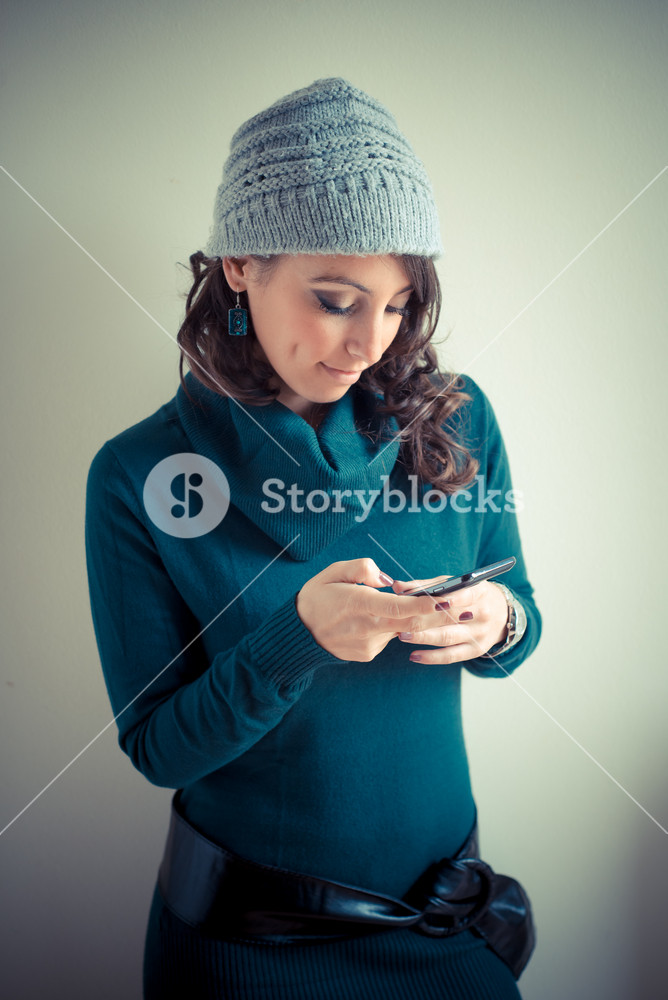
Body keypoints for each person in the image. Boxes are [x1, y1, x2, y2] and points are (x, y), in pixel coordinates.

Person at [85, 77, 542, 1000]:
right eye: (336, 299)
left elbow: (521, 625)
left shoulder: (459, 420)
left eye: (399, 304)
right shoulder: (137, 475)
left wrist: (495, 622)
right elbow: (157, 749)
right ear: (242, 265)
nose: (370, 342)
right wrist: (297, 642)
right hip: (250, 946)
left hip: (446, 918)